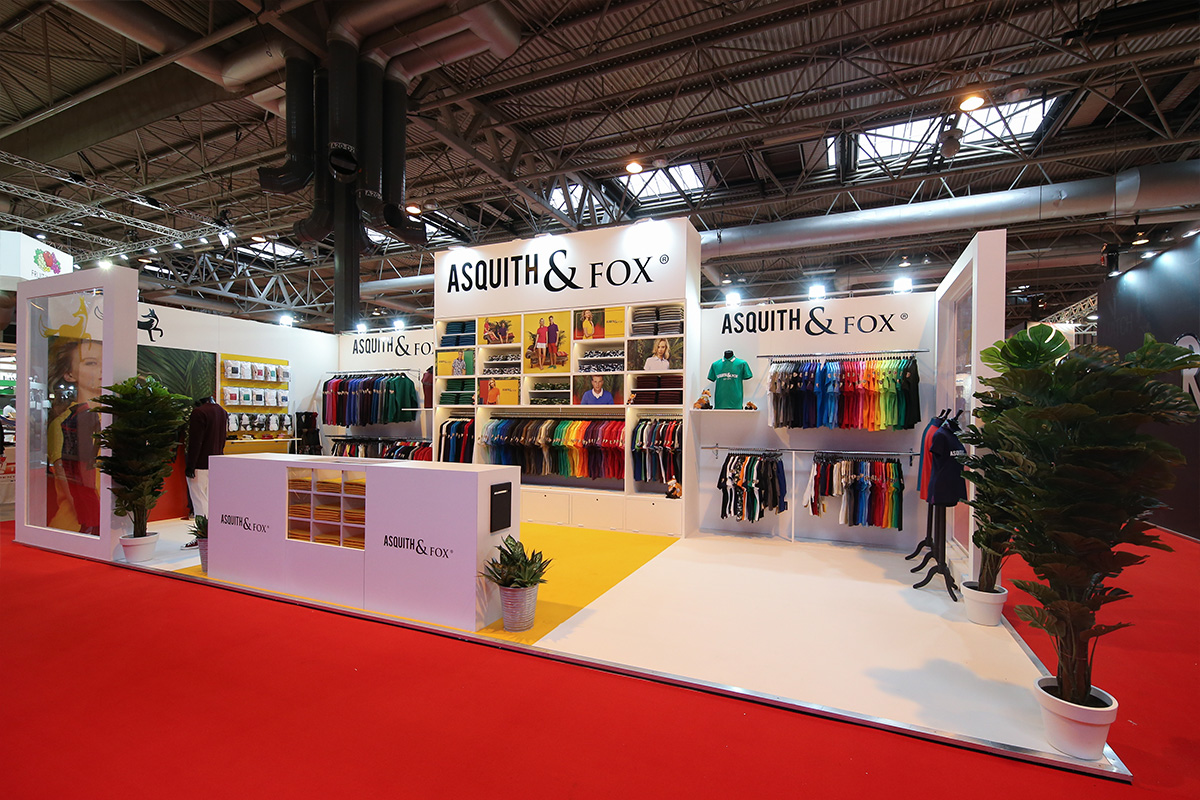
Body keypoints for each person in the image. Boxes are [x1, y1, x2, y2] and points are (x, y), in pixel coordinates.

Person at [46, 336, 103, 534]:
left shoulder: (113, 418)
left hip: (108, 526)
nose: (103, 369)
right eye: (91, 363)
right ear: (69, 374)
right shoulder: (67, 422)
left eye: (106, 361)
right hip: (79, 529)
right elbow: (73, 485)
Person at [183, 396, 228, 548]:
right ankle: (213, 535)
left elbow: (195, 441)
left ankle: (203, 536)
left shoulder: (199, 413)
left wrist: (190, 465)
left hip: (200, 463)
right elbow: (223, 439)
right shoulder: (222, 412)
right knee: (209, 500)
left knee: (199, 501)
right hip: (216, 462)